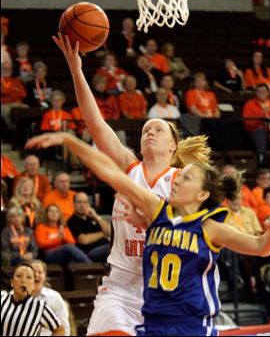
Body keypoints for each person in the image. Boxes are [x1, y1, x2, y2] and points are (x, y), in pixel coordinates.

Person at [26, 131, 270, 337]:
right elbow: (110, 172)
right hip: (151, 323)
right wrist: (70, 140)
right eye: (178, 176)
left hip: (190, 326)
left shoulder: (210, 227)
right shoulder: (156, 210)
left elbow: (261, 246)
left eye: (186, 178)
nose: (176, 181)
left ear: (202, 194)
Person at [41, 32, 211, 336]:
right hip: (120, 287)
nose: (149, 132)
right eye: (146, 129)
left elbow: (195, 233)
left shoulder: (181, 182)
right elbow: (95, 124)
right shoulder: (129, 168)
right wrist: (76, 69)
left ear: (173, 146)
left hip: (165, 290)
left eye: (158, 129)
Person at [1, 263, 64, 336]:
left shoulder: (40, 307)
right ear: (11, 282)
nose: (23, 280)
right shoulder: (2, 297)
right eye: (19, 276)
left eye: (28, 277)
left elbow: (59, 330)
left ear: (33, 285)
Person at [30, 259, 70, 336]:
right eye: (33, 271)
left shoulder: (55, 297)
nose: (36, 275)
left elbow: (65, 326)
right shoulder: (20, 296)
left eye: (40, 272)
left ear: (45, 275)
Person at [68, 192, 111, 262]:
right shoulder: (72, 221)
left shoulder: (92, 217)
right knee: (114, 247)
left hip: (105, 246)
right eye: (79, 202)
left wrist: (96, 217)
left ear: (88, 204)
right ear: (74, 204)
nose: (82, 205)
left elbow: (109, 231)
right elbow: (83, 240)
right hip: (90, 252)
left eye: (85, 202)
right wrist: (103, 233)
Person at [1, 60, 28, 128]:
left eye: (9, 68)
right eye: (5, 68)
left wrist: (7, 92)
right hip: (4, 105)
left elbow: (23, 94)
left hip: (17, 103)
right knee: (7, 112)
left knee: (28, 109)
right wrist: (14, 91)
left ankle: (26, 130)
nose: (7, 70)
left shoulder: (16, 80)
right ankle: (13, 129)